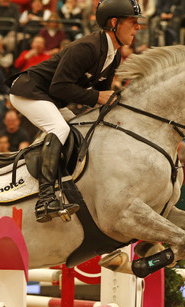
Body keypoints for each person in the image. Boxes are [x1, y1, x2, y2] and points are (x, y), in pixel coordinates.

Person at [8, 0, 142, 222]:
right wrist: (98, 97)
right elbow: (60, 86)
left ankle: (64, 186)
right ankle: (45, 200)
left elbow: (103, 95)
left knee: (77, 131)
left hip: (50, 98)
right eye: (133, 21)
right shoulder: (87, 47)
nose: (138, 27)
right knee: (59, 128)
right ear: (114, 22)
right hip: (29, 91)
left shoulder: (113, 55)